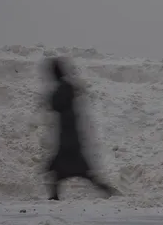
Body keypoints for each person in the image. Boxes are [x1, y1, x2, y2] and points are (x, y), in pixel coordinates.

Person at [43, 57, 120, 200]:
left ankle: (108, 191)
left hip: (69, 140)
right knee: (67, 171)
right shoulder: (66, 88)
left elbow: (55, 103)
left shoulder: (63, 89)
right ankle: (54, 196)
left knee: (69, 170)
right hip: (70, 138)